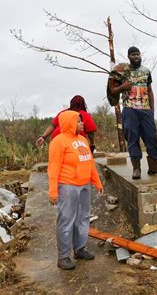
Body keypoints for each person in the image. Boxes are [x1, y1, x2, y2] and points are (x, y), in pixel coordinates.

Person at [48, 110, 104, 270]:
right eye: (79, 121)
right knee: (66, 221)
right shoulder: (58, 142)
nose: (82, 123)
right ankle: (63, 257)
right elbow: (53, 168)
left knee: (83, 218)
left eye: (81, 121)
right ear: (69, 123)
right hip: (68, 186)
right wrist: (53, 191)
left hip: (84, 185)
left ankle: (80, 249)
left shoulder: (82, 140)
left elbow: (90, 163)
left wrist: (97, 183)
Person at [109, 46, 157, 179]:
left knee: (152, 137)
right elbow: (112, 91)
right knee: (132, 138)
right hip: (130, 109)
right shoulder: (121, 71)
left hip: (145, 109)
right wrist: (122, 87)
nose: (136, 57)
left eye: (138, 54)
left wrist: (152, 110)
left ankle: (153, 167)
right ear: (129, 57)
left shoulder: (146, 71)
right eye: (133, 55)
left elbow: (150, 90)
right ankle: (136, 169)